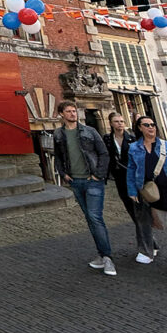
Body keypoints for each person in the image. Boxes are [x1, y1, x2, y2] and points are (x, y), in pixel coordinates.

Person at [53, 100, 115, 275]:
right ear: (61, 114)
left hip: (92, 180)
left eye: (74, 111)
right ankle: (102, 255)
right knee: (89, 218)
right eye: (69, 111)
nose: (73, 114)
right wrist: (63, 173)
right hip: (75, 182)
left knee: (95, 217)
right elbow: (57, 156)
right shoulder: (58, 134)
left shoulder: (90, 131)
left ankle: (107, 257)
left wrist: (98, 175)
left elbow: (103, 153)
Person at [126, 115, 167, 264]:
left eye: (153, 124)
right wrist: (132, 190)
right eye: (147, 125)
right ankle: (146, 251)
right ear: (140, 128)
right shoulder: (134, 148)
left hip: (165, 188)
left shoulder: (164, 145)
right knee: (143, 220)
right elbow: (131, 170)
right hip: (144, 189)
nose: (151, 127)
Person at [103, 112, 137, 222]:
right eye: (116, 122)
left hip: (132, 175)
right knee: (127, 202)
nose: (120, 124)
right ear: (111, 124)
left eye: (122, 121)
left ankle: (145, 230)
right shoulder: (107, 139)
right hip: (119, 176)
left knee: (137, 203)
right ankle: (138, 225)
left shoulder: (132, 139)